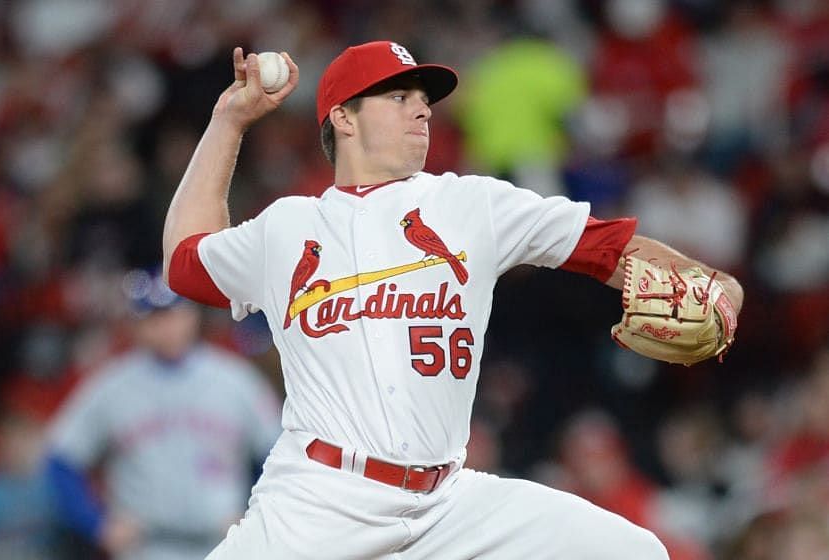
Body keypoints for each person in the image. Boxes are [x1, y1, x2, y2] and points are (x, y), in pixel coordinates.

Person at [162, 41, 744, 558]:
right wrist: (228, 123)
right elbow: (185, 262)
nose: (422, 109)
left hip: (446, 505)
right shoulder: (287, 227)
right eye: (398, 96)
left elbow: (608, 248)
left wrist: (719, 284)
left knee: (633, 550)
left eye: (424, 98)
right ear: (343, 117)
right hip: (320, 501)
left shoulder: (473, 205)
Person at [44, 269, 281, 560]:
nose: (166, 326)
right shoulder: (111, 385)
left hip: (224, 543)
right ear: (137, 325)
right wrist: (98, 525)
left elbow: (278, 455)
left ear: (192, 316)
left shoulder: (236, 379)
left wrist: (255, 514)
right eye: (154, 317)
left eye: (173, 313)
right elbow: (61, 460)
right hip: (146, 547)